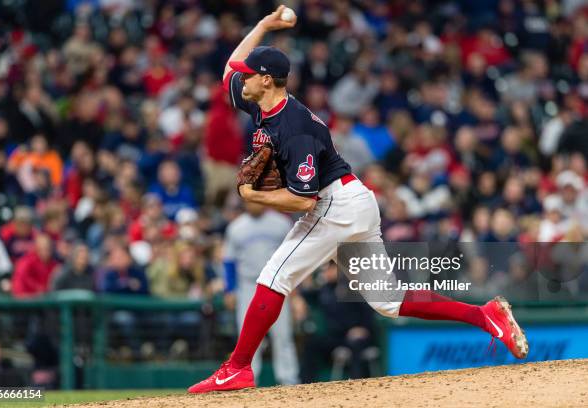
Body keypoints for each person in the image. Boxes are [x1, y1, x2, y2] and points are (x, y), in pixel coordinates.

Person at [188, 7, 529, 394]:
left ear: (266, 80)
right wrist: (266, 25)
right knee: (388, 300)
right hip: (353, 200)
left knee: (273, 277)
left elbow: (303, 201)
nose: (240, 78)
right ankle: (486, 316)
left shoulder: (294, 127)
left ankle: (237, 368)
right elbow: (229, 70)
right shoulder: (261, 99)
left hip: (336, 204)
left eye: (249, 74)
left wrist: (254, 195)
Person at [224, 201, 299, 385]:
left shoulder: (281, 223)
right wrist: (230, 290)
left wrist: (296, 291)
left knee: (283, 335)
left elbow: (295, 256)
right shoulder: (236, 227)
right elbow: (229, 261)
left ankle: (289, 380)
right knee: (247, 337)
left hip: (278, 284)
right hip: (248, 286)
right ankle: (248, 379)